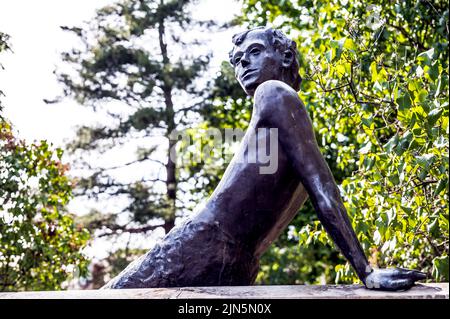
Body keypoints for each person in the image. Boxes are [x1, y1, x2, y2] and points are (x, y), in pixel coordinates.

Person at [103, 27, 426, 291]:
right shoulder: (277, 103)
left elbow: (322, 190)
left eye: (254, 52)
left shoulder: (274, 93)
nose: (243, 63)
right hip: (214, 246)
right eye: (238, 60)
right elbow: (319, 189)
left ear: (285, 55)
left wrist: (366, 270)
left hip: (214, 247)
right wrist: (365, 270)